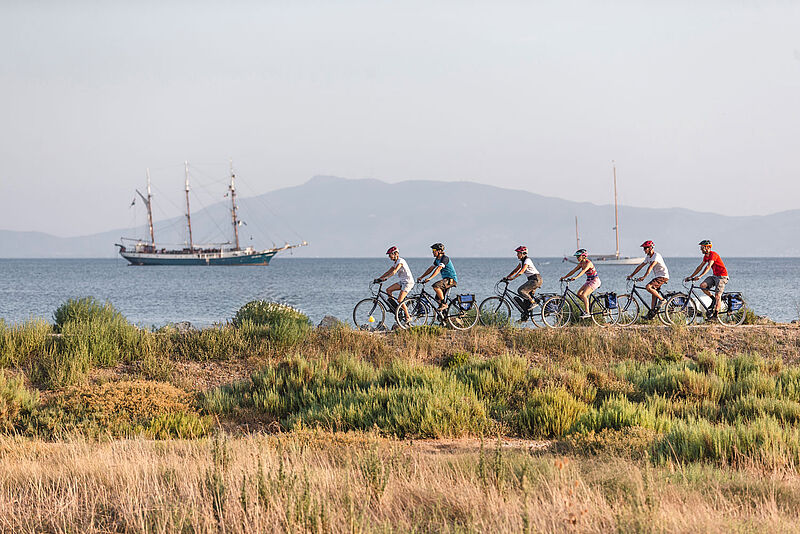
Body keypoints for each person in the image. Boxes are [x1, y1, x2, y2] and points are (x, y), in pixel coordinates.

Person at [684, 239, 728, 319]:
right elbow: (700, 267)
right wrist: (691, 277)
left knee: (718, 295)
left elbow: (708, 267)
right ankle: (713, 299)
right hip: (715, 276)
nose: (700, 249)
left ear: (707, 247)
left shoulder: (713, 254)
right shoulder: (706, 256)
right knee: (703, 286)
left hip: (722, 276)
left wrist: (700, 276)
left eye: (702, 247)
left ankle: (715, 316)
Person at [627, 240, 669, 319]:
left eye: (645, 248)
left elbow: (651, 267)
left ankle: (662, 300)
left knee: (648, 287)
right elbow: (640, 266)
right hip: (658, 276)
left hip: (663, 276)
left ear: (650, 248)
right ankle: (651, 314)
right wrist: (631, 275)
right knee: (653, 294)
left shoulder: (656, 255)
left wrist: (644, 277)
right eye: (644, 248)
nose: (644, 250)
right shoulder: (648, 257)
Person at [502, 246, 542, 320]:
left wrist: (513, 278)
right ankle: (525, 317)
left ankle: (533, 302)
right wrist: (507, 277)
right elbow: (515, 270)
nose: (517, 255)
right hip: (532, 280)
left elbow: (522, 271)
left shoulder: (527, 260)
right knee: (525, 301)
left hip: (535, 280)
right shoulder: (522, 262)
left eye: (518, 253)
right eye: (517, 253)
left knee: (521, 290)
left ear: (523, 253)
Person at [417, 243, 457, 311]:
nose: (433, 252)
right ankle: (444, 316)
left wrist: (430, 278)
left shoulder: (444, 258)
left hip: (451, 280)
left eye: (434, 250)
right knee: (438, 299)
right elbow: (430, 269)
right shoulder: (437, 260)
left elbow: (438, 269)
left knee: (436, 286)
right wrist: (421, 277)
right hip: (446, 280)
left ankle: (444, 304)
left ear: (439, 251)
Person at [559, 249, 599, 318]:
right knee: (579, 294)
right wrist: (564, 277)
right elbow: (573, 271)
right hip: (589, 281)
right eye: (576, 257)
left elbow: (583, 271)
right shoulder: (581, 263)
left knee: (584, 294)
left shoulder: (588, 263)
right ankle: (588, 306)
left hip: (595, 281)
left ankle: (587, 312)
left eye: (578, 256)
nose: (577, 258)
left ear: (583, 256)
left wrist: (576, 277)